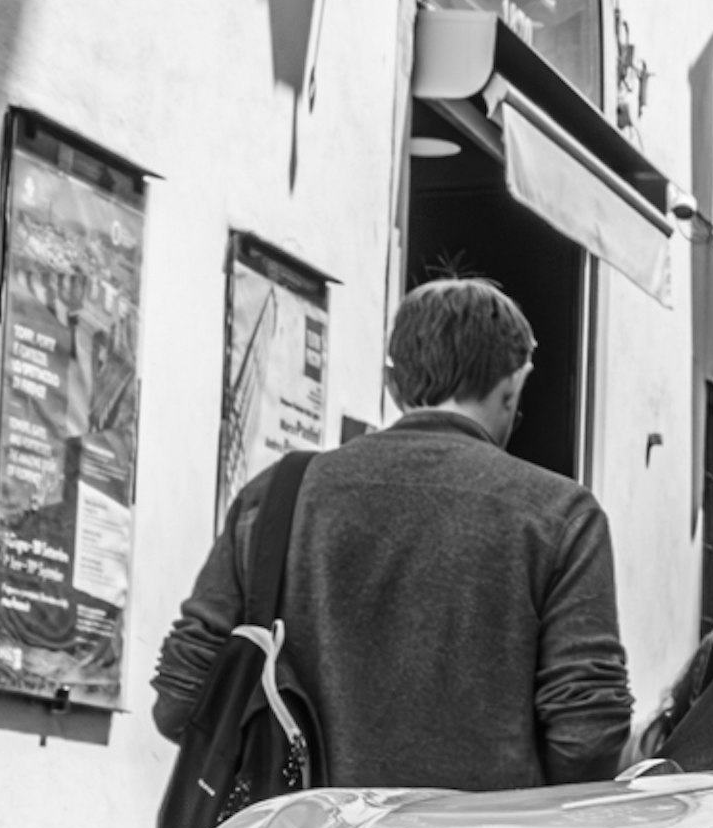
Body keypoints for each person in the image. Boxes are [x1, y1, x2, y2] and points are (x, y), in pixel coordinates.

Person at [153, 276, 631, 798]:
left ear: (392, 382)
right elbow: (587, 741)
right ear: (514, 383)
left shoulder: (275, 499)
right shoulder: (560, 515)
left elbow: (181, 700)